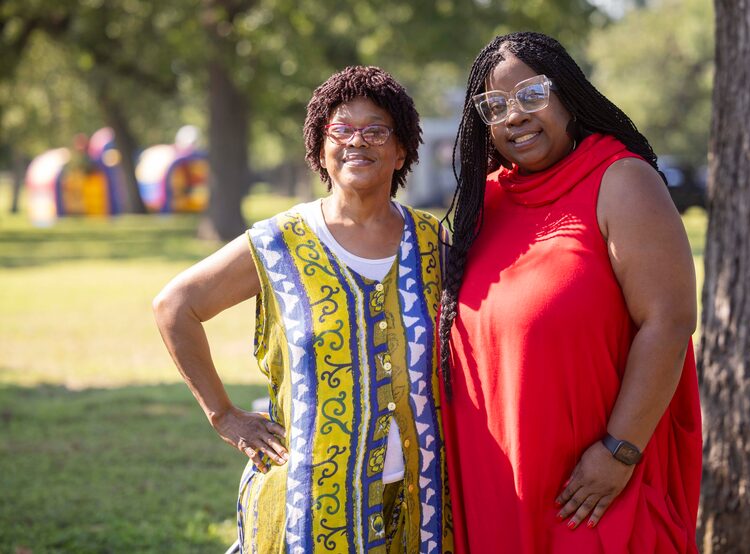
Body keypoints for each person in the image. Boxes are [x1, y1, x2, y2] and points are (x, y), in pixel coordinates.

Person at [154, 66, 453, 554]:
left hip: (419, 509)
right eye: (341, 129)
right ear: (320, 147)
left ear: (401, 151)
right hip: (307, 511)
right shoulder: (279, 243)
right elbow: (175, 306)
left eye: (376, 130)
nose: (358, 141)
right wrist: (225, 416)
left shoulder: (432, 242)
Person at [437, 32, 702, 553]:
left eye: (531, 96)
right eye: (495, 106)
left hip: (592, 490)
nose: (514, 116)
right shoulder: (480, 205)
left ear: (568, 97)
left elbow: (668, 322)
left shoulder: (620, 179)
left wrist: (618, 452)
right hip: (495, 485)